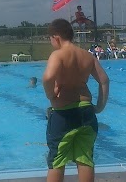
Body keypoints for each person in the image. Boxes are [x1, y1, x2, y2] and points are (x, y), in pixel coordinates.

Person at [43, 18, 109, 182]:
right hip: (87, 113)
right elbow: (104, 80)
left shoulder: (58, 55)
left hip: (64, 114)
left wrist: (51, 95)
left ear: (56, 37)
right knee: (85, 158)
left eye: (50, 39)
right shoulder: (87, 55)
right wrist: (100, 107)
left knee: (57, 161)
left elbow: (48, 77)